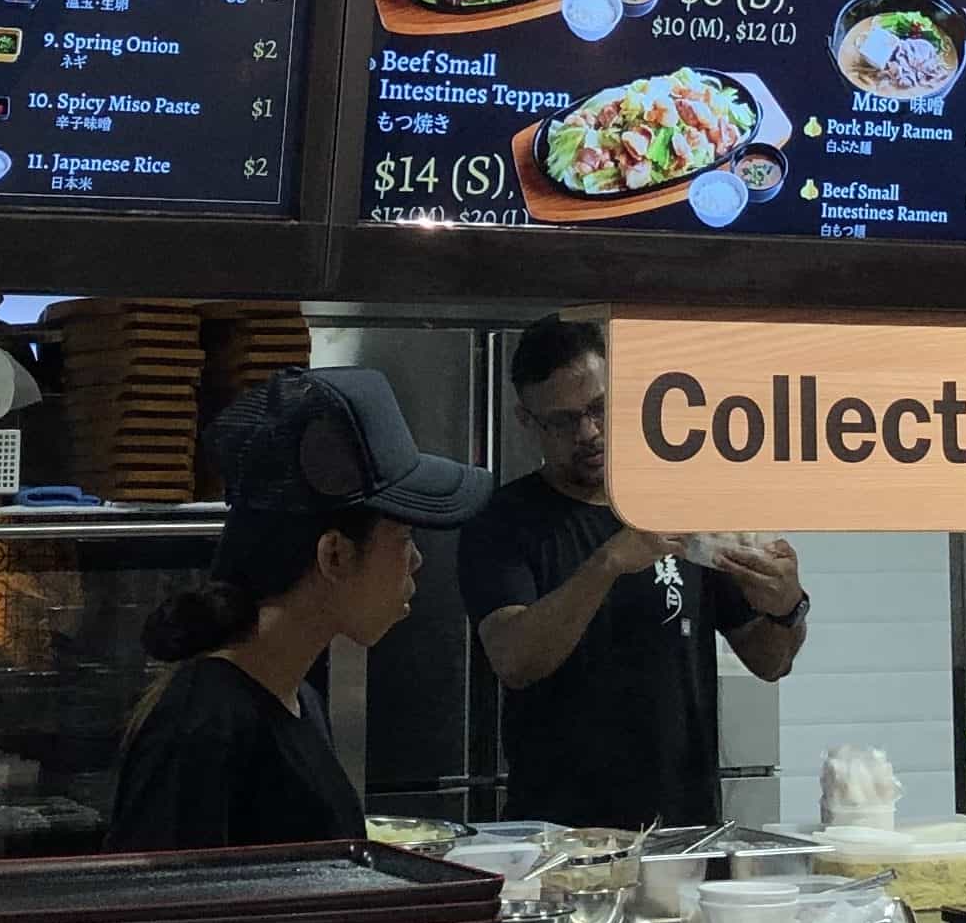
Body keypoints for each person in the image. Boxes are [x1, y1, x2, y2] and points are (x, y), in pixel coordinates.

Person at [105, 366, 490, 851]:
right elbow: (163, 897)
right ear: (334, 555)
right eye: (404, 537)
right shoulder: (203, 724)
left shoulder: (296, 695)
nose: (416, 561)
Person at [459, 317, 809, 828]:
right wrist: (607, 564)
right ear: (526, 420)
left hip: (684, 831)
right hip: (559, 838)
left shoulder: (681, 506)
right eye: (562, 421)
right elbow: (514, 660)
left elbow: (769, 661)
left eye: (598, 409)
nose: (588, 433)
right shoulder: (503, 521)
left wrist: (786, 609)